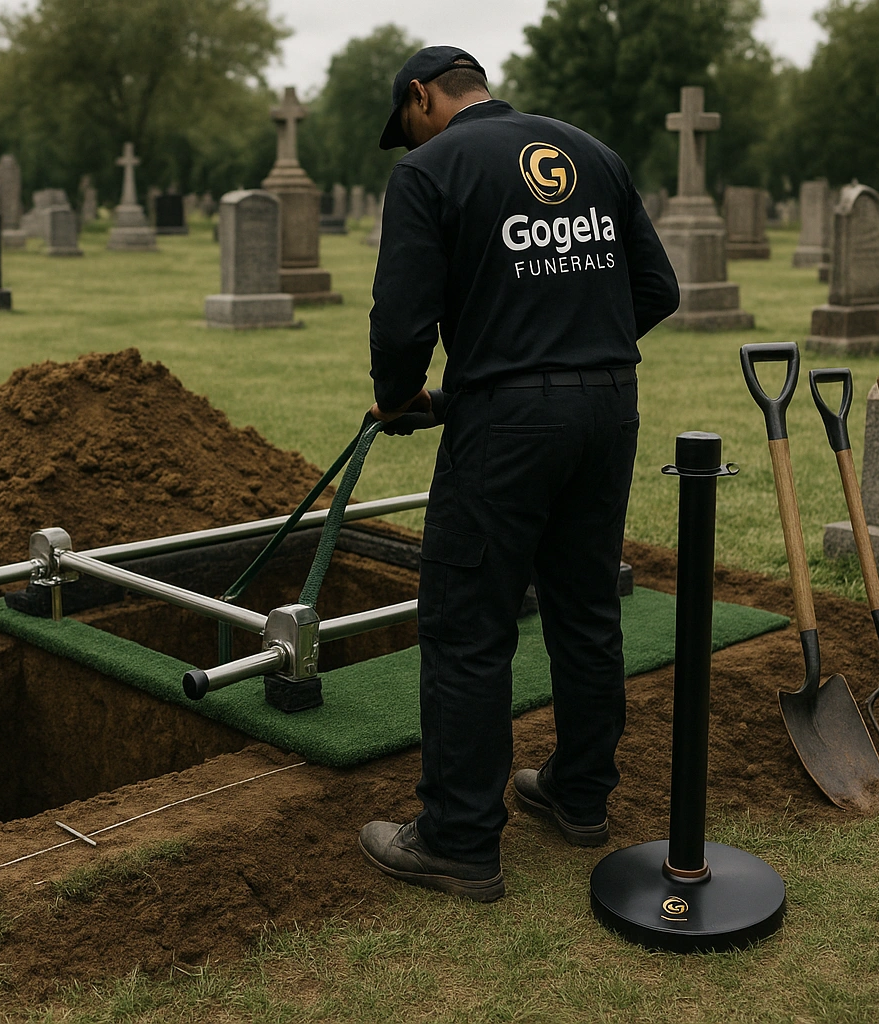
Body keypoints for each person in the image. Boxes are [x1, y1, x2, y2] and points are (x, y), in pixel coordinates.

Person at [357, 47, 680, 901]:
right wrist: (578, 344)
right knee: (583, 607)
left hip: (507, 423)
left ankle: (459, 839)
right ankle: (579, 796)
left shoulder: (429, 171)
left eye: (407, 122)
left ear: (423, 97)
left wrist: (398, 398)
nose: (408, 138)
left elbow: (400, 322)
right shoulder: (591, 151)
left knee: (468, 623)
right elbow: (658, 287)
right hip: (608, 409)